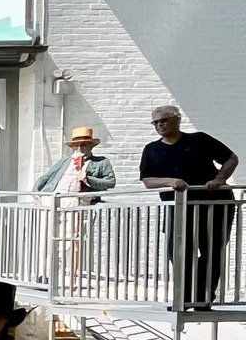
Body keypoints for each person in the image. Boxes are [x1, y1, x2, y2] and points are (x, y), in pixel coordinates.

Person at [140, 105, 237, 306]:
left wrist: (219, 178)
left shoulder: (199, 140)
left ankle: (202, 299)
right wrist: (170, 181)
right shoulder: (152, 149)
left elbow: (231, 158)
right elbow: (148, 180)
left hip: (213, 205)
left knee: (211, 251)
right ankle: (184, 297)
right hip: (179, 208)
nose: (160, 125)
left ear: (177, 119)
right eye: (156, 122)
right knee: (178, 252)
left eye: (164, 120)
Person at [34, 126, 117, 194]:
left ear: (91, 146)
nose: (79, 148)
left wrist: (88, 179)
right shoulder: (65, 160)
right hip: (56, 198)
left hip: (81, 202)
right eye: (75, 145)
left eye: (83, 145)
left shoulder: (101, 162)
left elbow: (110, 182)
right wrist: (35, 191)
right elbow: (47, 176)